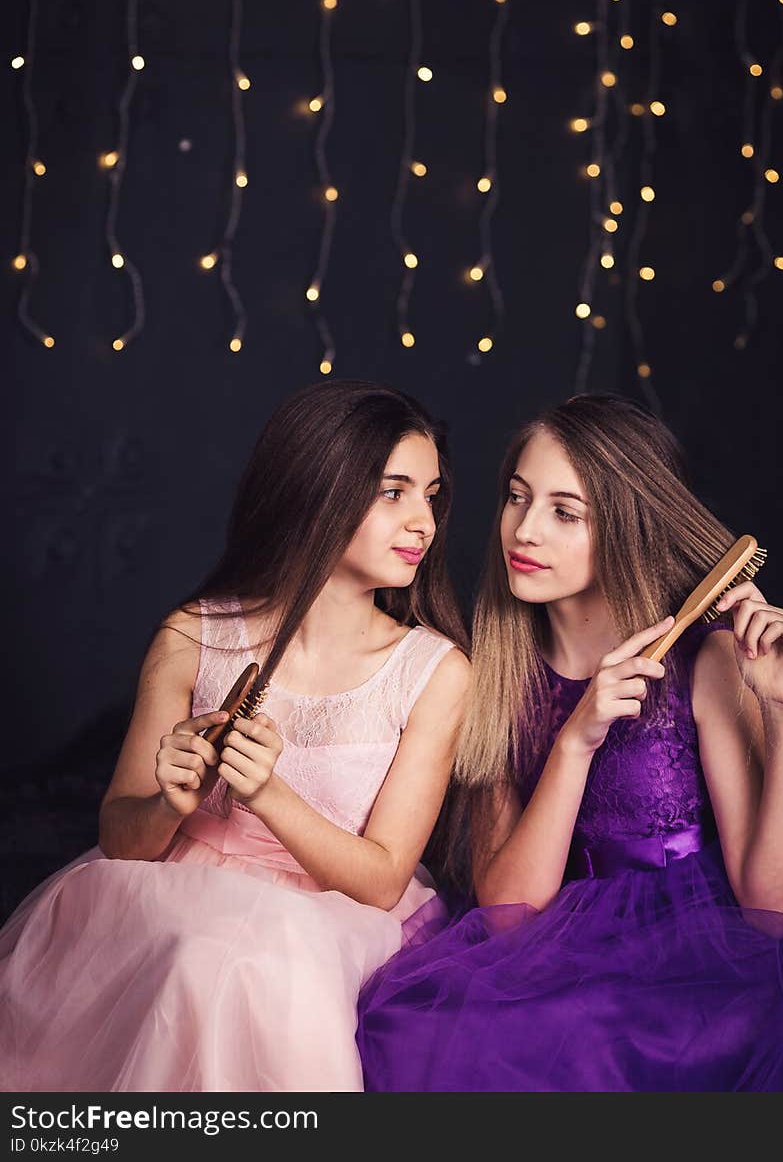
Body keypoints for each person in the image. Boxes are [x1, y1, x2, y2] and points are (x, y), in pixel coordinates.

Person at [356, 392, 783, 1091]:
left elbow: (773, 913)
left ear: (628, 528)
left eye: (564, 512)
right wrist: (576, 741)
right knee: (420, 1032)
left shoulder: (707, 662)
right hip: (555, 961)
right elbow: (509, 914)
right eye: (517, 498)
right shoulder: (496, 675)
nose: (524, 530)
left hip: (706, 960)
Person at [0, 380, 470, 1092]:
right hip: (174, 900)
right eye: (393, 492)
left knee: (246, 964)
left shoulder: (433, 672)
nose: (424, 524)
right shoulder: (194, 636)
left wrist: (269, 795)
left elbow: (381, 880)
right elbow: (123, 838)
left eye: (431, 495)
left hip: (334, 924)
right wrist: (171, 800)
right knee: (198, 954)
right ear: (318, 489)